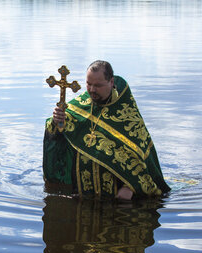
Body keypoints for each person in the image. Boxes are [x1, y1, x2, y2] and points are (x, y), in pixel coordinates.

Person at [43, 60, 170, 200]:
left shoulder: (126, 112)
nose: (91, 90)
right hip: (82, 193)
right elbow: (56, 137)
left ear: (111, 81)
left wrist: (130, 187)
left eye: (97, 85)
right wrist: (56, 122)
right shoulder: (80, 105)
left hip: (115, 196)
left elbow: (141, 157)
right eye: (88, 84)